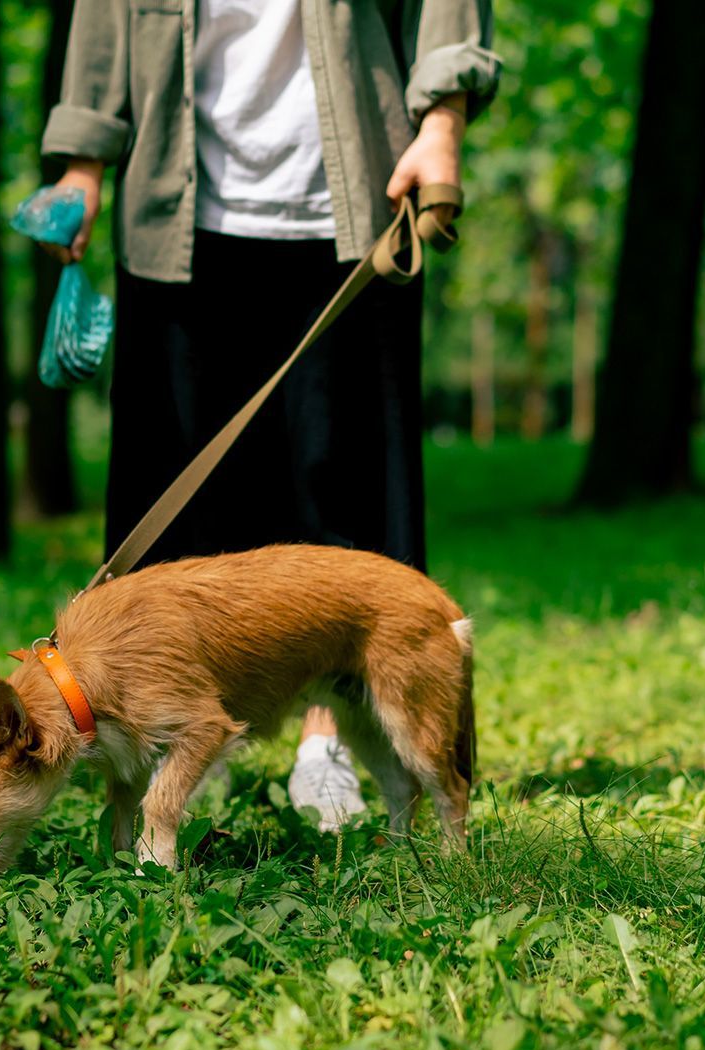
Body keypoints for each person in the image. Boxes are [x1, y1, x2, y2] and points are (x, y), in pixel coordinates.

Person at [39, 0, 498, 830]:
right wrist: (82, 161)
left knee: (345, 496)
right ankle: (161, 752)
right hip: (175, 216)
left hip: (350, 198)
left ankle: (332, 746)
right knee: (170, 505)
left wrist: (443, 122)